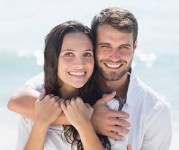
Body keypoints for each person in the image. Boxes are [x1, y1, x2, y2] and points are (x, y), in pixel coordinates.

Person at [8, 7, 172, 150]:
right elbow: (17, 101)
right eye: (105, 46)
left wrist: (84, 121)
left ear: (135, 46)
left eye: (124, 47)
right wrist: (87, 118)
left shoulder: (155, 111)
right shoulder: (69, 77)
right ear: (94, 44)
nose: (114, 57)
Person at [14, 20, 110, 150]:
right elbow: (15, 100)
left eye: (87, 54)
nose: (80, 64)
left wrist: (84, 124)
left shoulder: (105, 106)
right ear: (53, 58)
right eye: (69, 54)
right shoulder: (38, 106)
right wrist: (41, 121)